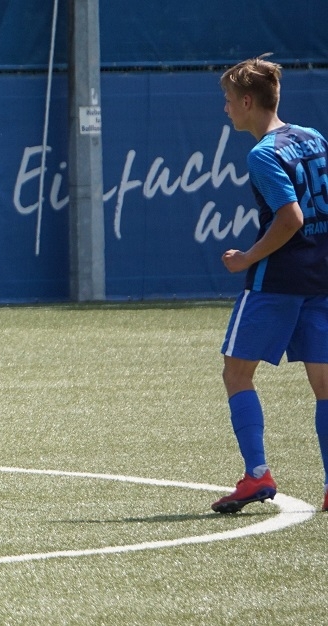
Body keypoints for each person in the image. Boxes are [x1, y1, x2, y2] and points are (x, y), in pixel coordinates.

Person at [212, 54, 328, 514]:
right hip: (321, 277)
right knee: (325, 384)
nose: (225, 109)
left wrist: (246, 258)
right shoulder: (313, 137)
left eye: (228, 100)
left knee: (236, 373)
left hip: (277, 280)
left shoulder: (262, 154)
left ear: (247, 101)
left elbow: (290, 218)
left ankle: (257, 474)